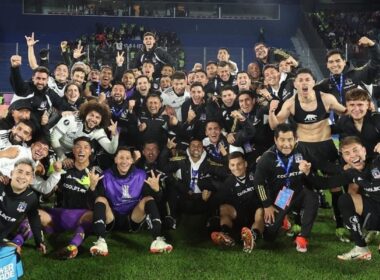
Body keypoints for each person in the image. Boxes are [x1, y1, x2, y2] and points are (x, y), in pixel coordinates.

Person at [268, 68, 348, 241]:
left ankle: (341, 225)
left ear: (313, 82)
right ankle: (295, 221)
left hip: (326, 146)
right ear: (295, 84)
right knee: (297, 184)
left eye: (307, 79)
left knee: (335, 186)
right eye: (300, 80)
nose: (304, 83)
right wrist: (271, 111)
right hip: (303, 147)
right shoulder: (290, 102)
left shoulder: (326, 98)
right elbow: (275, 126)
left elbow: (345, 111)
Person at [299, 136, 380, 260]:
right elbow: (324, 183)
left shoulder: (377, 161)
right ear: (344, 158)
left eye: (355, 150)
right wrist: (308, 172)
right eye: (347, 153)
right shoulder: (351, 173)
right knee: (345, 200)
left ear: (364, 150)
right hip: (375, 211)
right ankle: (361, 248)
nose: (352, 155)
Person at [90, 147, 172, 255]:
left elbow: (157, 201)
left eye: (128, 158)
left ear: (132, 161)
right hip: (111, 220)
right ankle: (101, 241)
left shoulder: (141, 175)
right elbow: (94, 203)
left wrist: (157, 190)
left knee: (149, 198)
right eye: (121, 158)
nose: (124, 161)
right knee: (100, 199)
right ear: (115, 160)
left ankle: (157, 239)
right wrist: (92, 188)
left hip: (133, 219)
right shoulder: (105, 175)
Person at [254, 123, 319, 252]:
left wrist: (308, 173)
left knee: (312, 196)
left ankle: (302, 237)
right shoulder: (267, 158)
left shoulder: (302, 150)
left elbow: (315, 172)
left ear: (296, 139)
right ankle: (283, 219)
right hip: (282, 196)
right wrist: (267, 205)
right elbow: (258, 183)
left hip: (299, 191)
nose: (286, 144)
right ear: (275, 140)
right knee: (269, 236)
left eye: (290, 139)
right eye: (282, 140)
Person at [211, 152, 264, 253]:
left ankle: (252, 237)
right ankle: (225, 235)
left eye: (239, 164)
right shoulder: (228, 183)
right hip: (240, 214)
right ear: (229, 166)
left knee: (260, 211)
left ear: (245, 164)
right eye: (232, 165)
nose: (236, 168)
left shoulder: (255, 174)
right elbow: (217, 201)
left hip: (256, 212)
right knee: (223, 208)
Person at [315, 36, 380, 105]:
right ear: (327, 65)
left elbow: (376, 62)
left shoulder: (359, 74)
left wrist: (372, 45)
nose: (335, 64)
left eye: (338, 61)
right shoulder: (325, 85)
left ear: (344, 62)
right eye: (331, 62)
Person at [0, 159, 46, 254]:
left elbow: (34, 219)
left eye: (27, 174)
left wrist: (39, 242)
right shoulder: (1, 185)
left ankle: (10, 243)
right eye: (19, 171)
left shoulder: (31, 198)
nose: (22, 176)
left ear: (31, 179)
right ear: (12, 173)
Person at [334, 88, 380, 160]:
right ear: (347, 106)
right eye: (352, 105)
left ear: (367, 105)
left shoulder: (377, 118)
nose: (356, 109)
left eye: (360, 104)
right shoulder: (342, 121)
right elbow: (343, 146)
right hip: (358, 164)